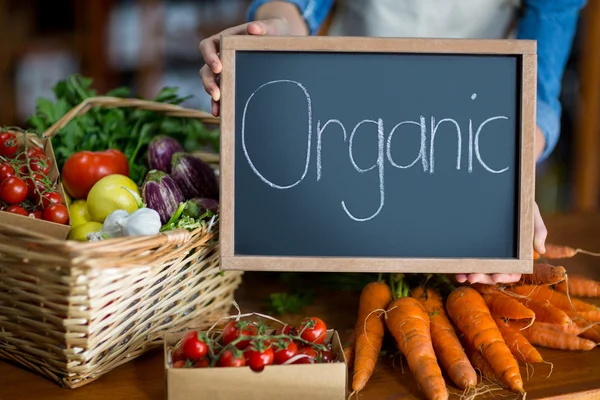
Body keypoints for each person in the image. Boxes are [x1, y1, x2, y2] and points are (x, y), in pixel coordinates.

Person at [199, 0, 586, 284]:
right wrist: (270, 37)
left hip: (462, 144)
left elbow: (539, 88)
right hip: (339, 137)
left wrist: (506, 174)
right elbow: (294, 8)